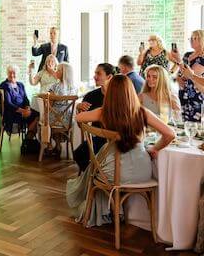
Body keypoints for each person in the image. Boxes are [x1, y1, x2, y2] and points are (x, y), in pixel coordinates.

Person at [67, 75, 175, 227]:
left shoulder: (103, 112)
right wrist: (154, 148)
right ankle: (121, 212)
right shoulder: (142, 112)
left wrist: (80, 109)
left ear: (110, 93)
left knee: (94, 169)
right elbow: (170, 134)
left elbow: (78, 118)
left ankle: (107, 210)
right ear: (130, 92)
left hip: (113, 173)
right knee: (96, 167)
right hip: (143, 171)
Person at [72, 63, 115, 172]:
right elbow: (81, 126)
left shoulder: (118, 95)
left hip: (117, 139)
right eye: (95, 73)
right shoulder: (90, 96)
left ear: (109, 77)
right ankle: (94, 177)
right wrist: (79, 110)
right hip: (98, 139)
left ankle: (98, 176)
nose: (95, 76)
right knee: (79, 153)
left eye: (98, 73)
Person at [171, 30, 204, 122]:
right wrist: (178, 78)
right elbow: (180, 74)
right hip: (183, 92)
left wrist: (179, 60)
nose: (191, 40)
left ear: (202, 40)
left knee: (194, 124)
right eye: (191, 38)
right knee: (182, 122)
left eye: (195, 38)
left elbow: (191, 74)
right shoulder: (187, 55)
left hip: (196, 95)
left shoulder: (202, 57)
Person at [0, 65, 39, 137]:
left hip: (22, 111)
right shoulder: (4, 85)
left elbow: (26, 99)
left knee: (37, 114)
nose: (12, 75)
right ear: (7, 74)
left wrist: (27, 108)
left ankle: (29, 137)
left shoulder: (20, 85)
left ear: (18, 74)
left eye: (14, 73)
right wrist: (23, 111)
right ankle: (28, 139)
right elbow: (8, 104)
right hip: (11, 113)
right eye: (10, 73)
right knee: (33, 116)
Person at [47, 62, 77, 129]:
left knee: (42, 117)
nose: (56, 71)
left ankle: (45, 139)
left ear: (64, 73)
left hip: (54, 119)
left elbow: (50, 105)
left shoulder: (54, 87)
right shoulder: (74, 88)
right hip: (69, 120)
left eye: (58, 70)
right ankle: (62, 138)